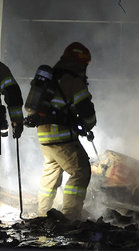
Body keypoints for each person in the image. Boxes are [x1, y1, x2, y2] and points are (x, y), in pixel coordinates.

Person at [34, 42, 97, 222]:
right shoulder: (74, 81)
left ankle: (43, 213)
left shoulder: (52, 77)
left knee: (51, 172)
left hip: (44, 136)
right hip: (61, 136)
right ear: (80, 64)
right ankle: (70, 217)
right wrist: (89, 124)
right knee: (81, 171)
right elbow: (86, 110)